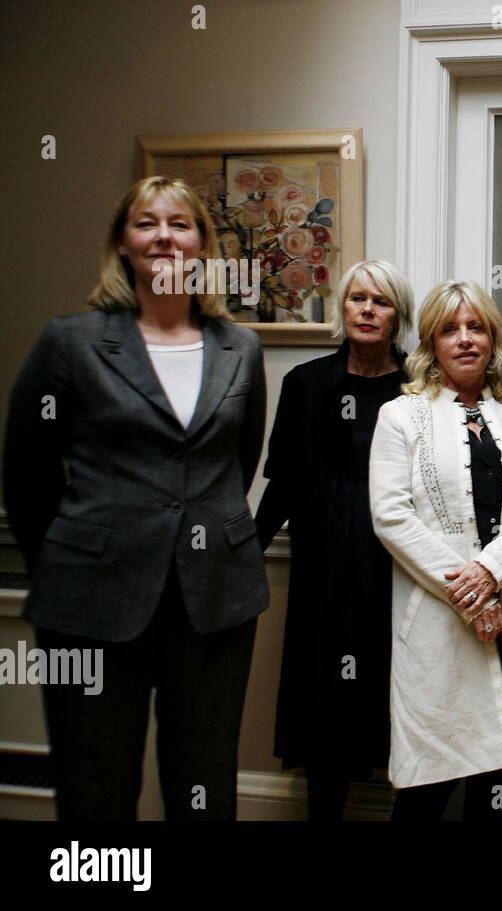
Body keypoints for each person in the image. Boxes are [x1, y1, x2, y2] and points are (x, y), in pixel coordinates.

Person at [3, 175, 268, 820]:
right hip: (90, 598)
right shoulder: (71, 342)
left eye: (180, 223)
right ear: (122, 243)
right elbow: (28, 474)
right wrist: (72, 562)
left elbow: (238, 461)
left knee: (203, 786)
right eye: (145, 222)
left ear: (203, 244)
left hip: (214, 598)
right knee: (96, 786)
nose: (163, 237)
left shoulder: (240, 348)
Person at [370, 280, 502, 821]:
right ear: (431, 342)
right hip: (437, 619)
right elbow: (390, 516)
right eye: (450, 329)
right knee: (427, 783)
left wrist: (491, 570)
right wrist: (471, 591)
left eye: (476, 326)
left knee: (496, 776)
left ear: (493, 337)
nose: (465, 339)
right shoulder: (401, 416)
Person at [254, 260, 413, 819]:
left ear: (400, 316)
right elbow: (284, 481)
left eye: (382, 301)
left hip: (396, 563)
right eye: (357, 299)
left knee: (393, 689)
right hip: (322, 559)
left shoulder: (419, 384)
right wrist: (248, 554)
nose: (368, 310)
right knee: (325, 694)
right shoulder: (306, 383)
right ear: (342, 309)